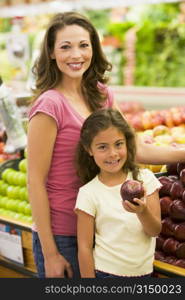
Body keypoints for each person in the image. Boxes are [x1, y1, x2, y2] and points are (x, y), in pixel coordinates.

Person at [27, 11, 185, 278]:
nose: (76, 55)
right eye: (65, 47)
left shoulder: (101, 94)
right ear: (51, 53)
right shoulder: (49, 104)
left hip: (102, 229)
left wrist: (182, 151)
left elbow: (134, 147)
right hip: (63, 232)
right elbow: (34, 181)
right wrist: (51, 253)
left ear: (93, 48)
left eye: (83, 45)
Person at [74, 108, 162, 278]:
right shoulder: (88, 193)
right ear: (89, 149)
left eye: (118, 144)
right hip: (106, 274)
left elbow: (154, 231)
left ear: (127, 143)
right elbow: (84, 248)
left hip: (144, 274)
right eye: (102, 147)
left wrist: (142, 212)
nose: (113, 153)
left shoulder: (145, 179)